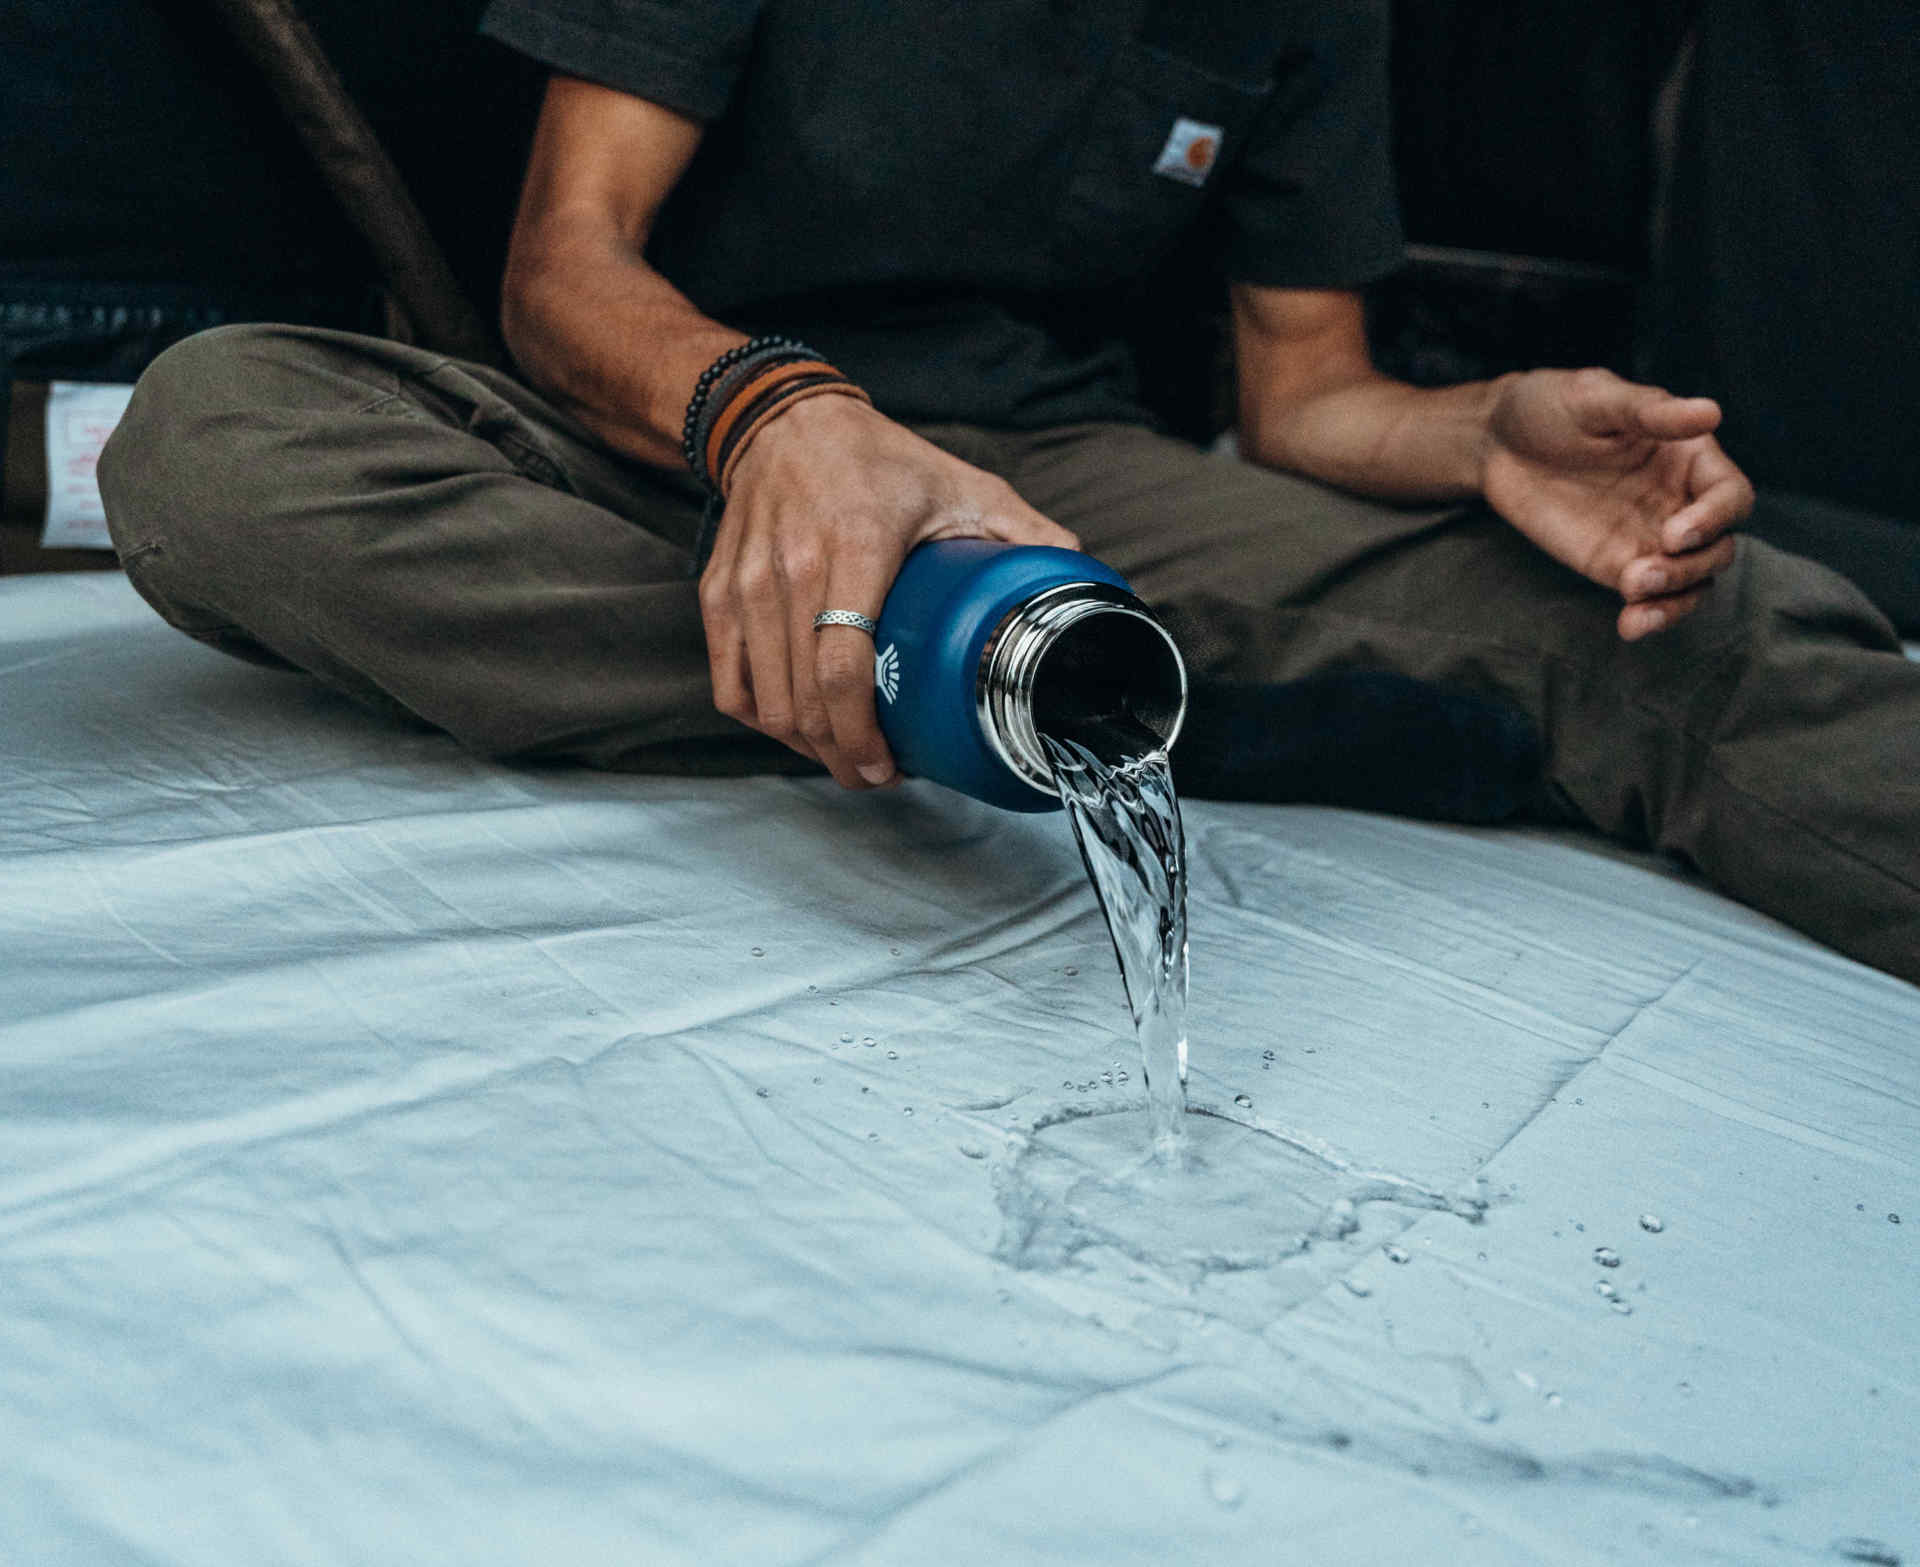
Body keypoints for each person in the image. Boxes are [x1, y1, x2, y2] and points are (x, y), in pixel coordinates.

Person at [97, 0, 1920, 984]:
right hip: (687, 440)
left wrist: (1475, 433)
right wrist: (785, 418)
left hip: (1047, 488)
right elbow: (563, 271)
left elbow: (1303, 395)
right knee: (219, 442)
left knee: (1688, 615)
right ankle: (1071, 696)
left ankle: (1020, 672)